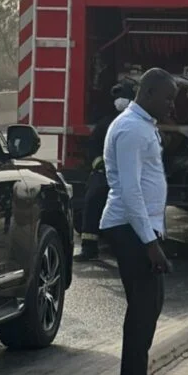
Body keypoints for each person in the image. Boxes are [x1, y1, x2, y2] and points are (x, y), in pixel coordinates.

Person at [100, 68, 177, 375]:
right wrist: (149, 242)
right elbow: (130, 191)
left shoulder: (142, 123)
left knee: (151, 308)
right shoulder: (131, 128)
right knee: (142, 312)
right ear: (148, 93)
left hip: (140, 228)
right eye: (168, 97)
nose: (172, 105)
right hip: (129, 228)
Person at [75, 82, 136, 261]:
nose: (120, 101)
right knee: (93, 199)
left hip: (129, 174)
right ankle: (89, 247)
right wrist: (99, 164)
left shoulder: (139, 123)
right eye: (117, 97)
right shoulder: (106, 122)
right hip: (106, 173)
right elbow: (93, 146)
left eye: (123, 97)